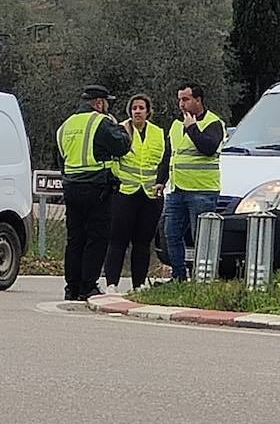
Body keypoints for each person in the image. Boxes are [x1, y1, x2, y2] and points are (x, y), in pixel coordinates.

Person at [56, 85, 131, 301]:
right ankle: (88, 286)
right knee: (96, 238)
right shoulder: (101, 122)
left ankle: (71, 287)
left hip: (71, 187)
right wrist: (119, 127)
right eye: (106, 102)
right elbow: (122, 145)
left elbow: (61, 158)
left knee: (75, 239)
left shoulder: (65, 126)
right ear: (99, 103)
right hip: (97, 188)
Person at [103, 94, 169, 294]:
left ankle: (139, 284)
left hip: (149, 195)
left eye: (141, 108)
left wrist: (160, 182)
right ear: (130, 111)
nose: (138, 111)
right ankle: (111, 283)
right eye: (134, 108)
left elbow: (164, 160)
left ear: (148, 111)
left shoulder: (158, 133)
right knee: (118, 240)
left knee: (142, 242)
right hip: (124, 193)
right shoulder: (120, 130)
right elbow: (113, 159)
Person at [163, 82, 226, 282]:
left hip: (202, 190)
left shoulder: (213, 122)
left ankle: (202, 279)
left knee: (202, 237)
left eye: (186, 99)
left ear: (198, 100)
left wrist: (192, 128)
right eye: (179, 99)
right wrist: (159, 180)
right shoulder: (175, 124)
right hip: (176, 189)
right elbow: (169, 155)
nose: (181, 104)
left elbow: (208, 147)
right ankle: (178, 277)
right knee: (171, 234)